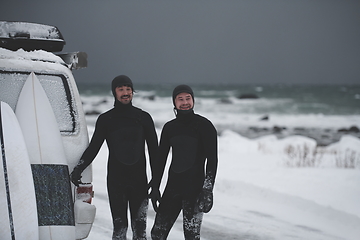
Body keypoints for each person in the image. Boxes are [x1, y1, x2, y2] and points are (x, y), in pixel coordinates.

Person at [70, 75, 158, 240]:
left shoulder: (143, 118)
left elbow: (155, 152)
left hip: (140, 181)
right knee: (119, 229)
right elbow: (94, 147)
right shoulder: (106, 120)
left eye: (128, 89)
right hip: (116, 181)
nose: (125, 93)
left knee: (140, 231)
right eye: (121, 89)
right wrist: (79, 168)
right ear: (114, 92)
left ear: (132, 91)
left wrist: (156, 181)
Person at [149, 84, 218, 240]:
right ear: (174, 103)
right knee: (157, 234)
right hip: (172, 188)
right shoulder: (169, 128)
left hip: (195, 191)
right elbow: (161, 160)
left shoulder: (205, 126)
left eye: (188, 98)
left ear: (193, 100)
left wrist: (207, 189)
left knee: (191, 236)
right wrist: (155, 186)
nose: (185, 102)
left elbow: (212, 160)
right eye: (180, 99)